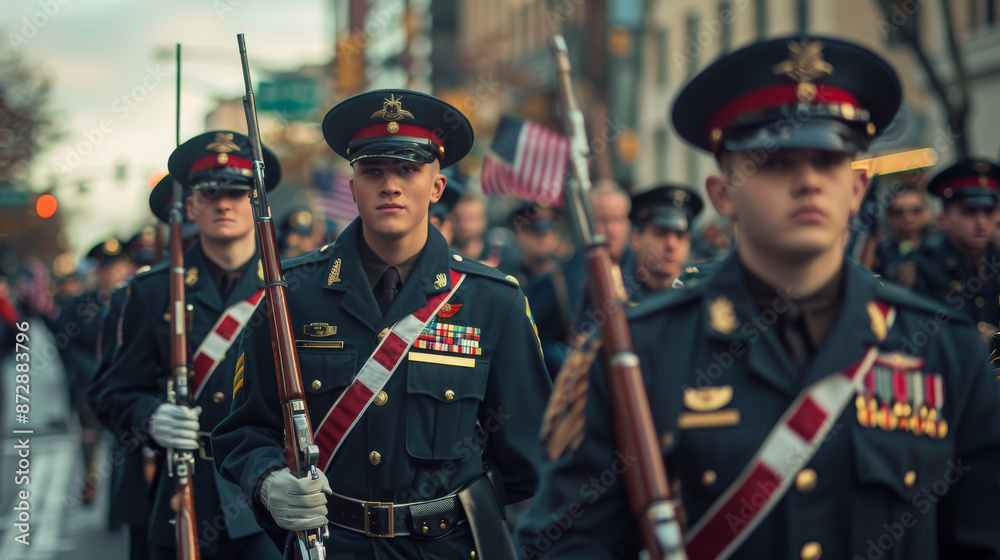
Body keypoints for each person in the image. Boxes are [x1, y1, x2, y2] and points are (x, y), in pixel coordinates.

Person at [516, 35, 1000, 559]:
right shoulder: (638, 353)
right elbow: (564, 545)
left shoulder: (944, 352)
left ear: (857, 187)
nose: (809, 181)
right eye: (776, 162)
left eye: (828, 160)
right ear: (723, 194)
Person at [211, 89, 552, 559]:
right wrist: (268, 481)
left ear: (436, 187)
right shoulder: (290, 294)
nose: (390, 185)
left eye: (408, 170)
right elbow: (245, 429)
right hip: (330, 545)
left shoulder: (493, 301)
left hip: (446, 549)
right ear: (352, 187)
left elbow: (529, 456)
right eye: (373, 171)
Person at [89, 133, 284, 560]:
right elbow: (109, 392)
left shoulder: (293, 285)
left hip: (270, 493)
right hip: (185, 491)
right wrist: (150, 416)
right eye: (209, 192)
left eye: (238, 191)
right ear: (191, 204)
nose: (223, 203)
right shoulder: (153, 292)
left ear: (257, 200)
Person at [898, 158, 1000, 343]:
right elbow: (915, 336)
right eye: (969, 211)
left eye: (989, 211)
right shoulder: (923, 267)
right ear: (943, 218)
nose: (982, 223)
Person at [625, 184, 703, 301]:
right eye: (660, 234)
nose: (672, 245)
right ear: (636, 239)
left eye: (681, 236)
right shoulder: (615, 293)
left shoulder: (698, 294)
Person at [872, 184, 935, 282]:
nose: (908, 218)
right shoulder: (878, 253)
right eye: (899, 212)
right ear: (889, 216)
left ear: (927, 213)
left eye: (915, 210)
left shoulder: (942, 248)